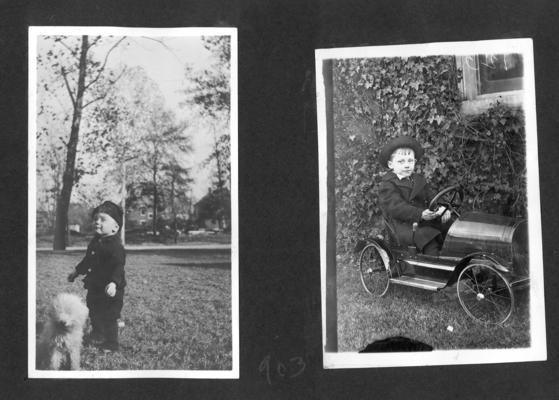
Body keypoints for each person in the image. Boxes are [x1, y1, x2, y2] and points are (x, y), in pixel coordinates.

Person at [68, 201, 126, 352]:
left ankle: (111, 343)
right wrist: (76, 272)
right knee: (93, 310)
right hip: (95, 286)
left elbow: (119, 267)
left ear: (115, 227)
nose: (97, 222)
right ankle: (98, 333)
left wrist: (114, 283)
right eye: (95, 219)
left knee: (109, 315)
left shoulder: (116, 247)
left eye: (102, 219)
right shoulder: (94, 242)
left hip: (110, 289)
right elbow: (87, 260)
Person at [378, 136, 451, 256]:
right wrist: (420, 214)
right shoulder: (387, 185)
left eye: (410, 161)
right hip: (402, 227)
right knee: (428, 237)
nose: (407, 165)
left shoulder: (419, 180)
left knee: (451, 227)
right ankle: (432, 270)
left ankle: (459, 264)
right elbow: (396, 208)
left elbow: (433, 196)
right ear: (391, 164)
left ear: (415, 162)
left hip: (423, 221)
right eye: (401, 161)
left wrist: (443, 208)